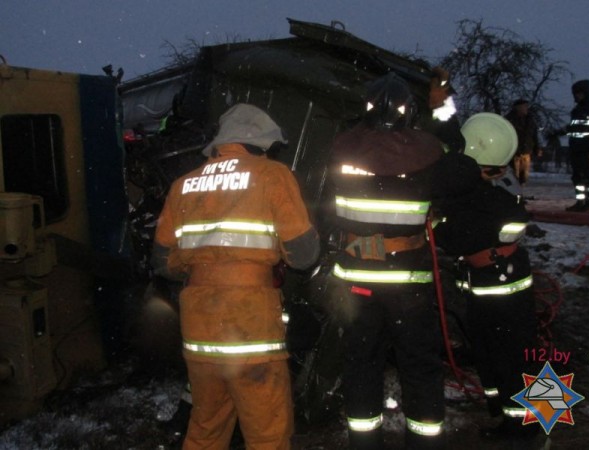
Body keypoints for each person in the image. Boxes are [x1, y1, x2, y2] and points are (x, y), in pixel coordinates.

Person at [151, 103, 320, 450]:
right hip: (250, 326)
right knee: (267, 433)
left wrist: (200, 262)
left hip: (199, 327)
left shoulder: (183, 185)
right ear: (261, 144)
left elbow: (162, 262)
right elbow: (304, 256)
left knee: (206, 428)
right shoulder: (272, 175)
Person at [326, 73, 446, 449]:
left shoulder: (342, 148)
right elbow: (449, 188)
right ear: (408, 112)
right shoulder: (428, 152)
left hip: (357, 281)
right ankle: (425, 443)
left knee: (361, 363)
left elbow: (326, 211)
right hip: (408, 281)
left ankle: (364, 443)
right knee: (420, 365)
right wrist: (442, 105)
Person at [432, 113, 539, 445]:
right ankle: (508, 415)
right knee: (494, 353)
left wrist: (435, 224)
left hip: (499, 288)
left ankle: (529, 428)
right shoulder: (493, 188)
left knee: (512, 358)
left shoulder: (482, 197)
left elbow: (455, 237)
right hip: (494, 283)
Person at [564, 79, 589, 212]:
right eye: (575, 93)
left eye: (579, 93)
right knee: (577, 176)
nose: (577, 96)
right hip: (576, 147)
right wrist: (561, 132)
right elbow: (575, 127)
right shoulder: (577, 109)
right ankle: (580, 202)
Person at [504, 99, 542, 185]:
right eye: (524, 106)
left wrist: (537, 148)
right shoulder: (509, 120)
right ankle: (514, 194)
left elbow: (534, 135)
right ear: (518, 107)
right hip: (514, 153)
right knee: (513, 176)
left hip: (526, 152)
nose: (526, 108)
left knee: (523, 177)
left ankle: (520, 193)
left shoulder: (530, 120)